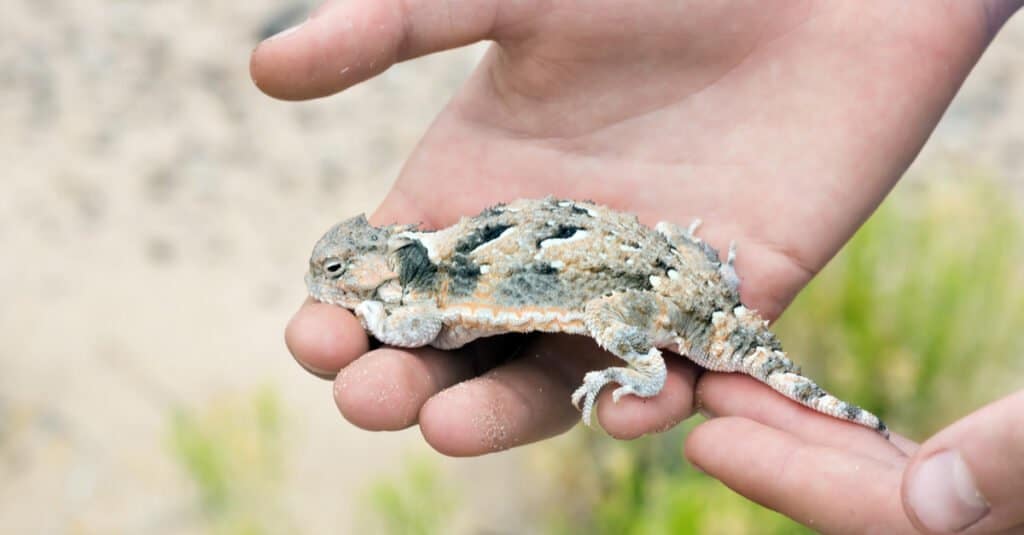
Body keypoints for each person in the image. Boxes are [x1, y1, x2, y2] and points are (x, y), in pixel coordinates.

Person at [250, 1, 1023, 532]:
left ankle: (651, 367)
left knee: (607, 320)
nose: (332, 281)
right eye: (335, 267)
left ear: (376, 266)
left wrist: (376, 315)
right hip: (675, 263)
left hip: (651, 304)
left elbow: (422, 329)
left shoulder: (428, 292)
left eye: (340, 270)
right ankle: (696, 285)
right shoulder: (437, 259)